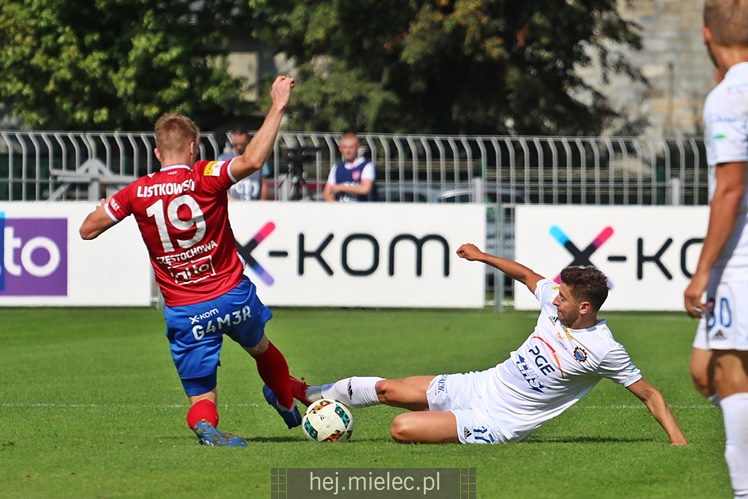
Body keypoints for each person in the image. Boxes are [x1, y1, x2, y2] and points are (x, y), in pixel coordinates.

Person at [79, 76, 300, 447]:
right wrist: (277, 106)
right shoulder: (206, 175)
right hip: (231, 297)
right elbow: (253, 160)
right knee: (262, 348)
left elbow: (87, 230)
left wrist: (118, 205)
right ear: (193, 147)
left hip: (185, 310)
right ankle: (287, 403)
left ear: (156, 152)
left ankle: (205, 424)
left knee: (201, 396)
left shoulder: (137, 192)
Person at [289, 244, 687, 446]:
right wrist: (480, 257)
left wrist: (678, 441)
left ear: (585, 307)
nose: (554, 298)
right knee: (386, 390)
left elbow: (649, 394)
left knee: (401, 428)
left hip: (499, 422)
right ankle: (301, 394)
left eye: (563, 297)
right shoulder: (555, 301)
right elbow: (528, 275)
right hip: (479, 384)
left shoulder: (604, 349)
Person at [684, 1, 748, 495]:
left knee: (729, 377)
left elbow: (730, 188)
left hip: (741, 261)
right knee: (703, 371)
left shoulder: (728, 96)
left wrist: (703, 269)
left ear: (708, 35)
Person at [219, 127, 272, 201]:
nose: (239, 147)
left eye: (242, 144)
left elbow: (264, 182)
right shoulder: (223, 159)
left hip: (254, 204)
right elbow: (220, 184)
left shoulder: (258, 157)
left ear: (248, 140)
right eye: (236, 144)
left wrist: (262, 201)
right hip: (232, 204)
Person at [322, 132, 377, 202]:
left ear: (357, 147)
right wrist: (339, 208)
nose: (348, 151)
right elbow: (326, 194)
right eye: (345, 147)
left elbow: (365, 189)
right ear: (340, 148)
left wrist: (340, 187)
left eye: (351, 147)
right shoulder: (336, 168)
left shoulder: (366, 166)